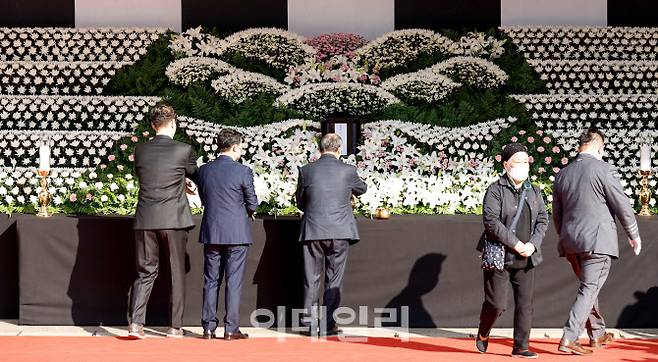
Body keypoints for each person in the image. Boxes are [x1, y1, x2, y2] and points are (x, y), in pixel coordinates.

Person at [552, 128, 642, 355]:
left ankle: (598, 333)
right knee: (589, 288)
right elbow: (621, 204)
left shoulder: (563, 174)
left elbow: (557, 214)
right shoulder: (604, 169)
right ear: (600, 147)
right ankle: (570, 337)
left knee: (588, 288)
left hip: (571, 241)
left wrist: (565, 238)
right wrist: (633, 234)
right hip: (597, 240)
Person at [128, 103, 198, 339]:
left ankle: (136, 324)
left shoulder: (141, 150)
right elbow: (192, 174)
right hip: (174, 219)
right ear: (174, 123)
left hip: (146, 218)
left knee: (145, 272)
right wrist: (184, 184)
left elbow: (149, 176)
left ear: (152, 125)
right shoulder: (184, 150)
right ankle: (174, 327)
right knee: (176, 273)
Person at [475, 142, 548, 359]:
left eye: (526, 162)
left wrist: (532, 245)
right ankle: (484, 330)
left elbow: (543, 220)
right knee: (497, 304)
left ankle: (521, 346)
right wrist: (516, 244)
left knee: (525, 304)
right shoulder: (495, 190)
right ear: (506, 164)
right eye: (518, 162)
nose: (523, 166)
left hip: (527, 256)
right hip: (500, 255)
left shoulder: (534, 191)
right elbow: (491, 222)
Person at [296, 133, 367, 336]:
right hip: (339, 230)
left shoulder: (307, 170)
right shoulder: (348, 170)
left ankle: (309, 325)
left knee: (311, 279)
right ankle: (328, 324)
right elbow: (362, 188)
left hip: (313, 229)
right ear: (339, 150)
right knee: (334, 279)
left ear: (320, 149)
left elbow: (300, 201)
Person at [196, 129, 258, 340]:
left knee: (211, 280)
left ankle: (208, 327)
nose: (242, 150)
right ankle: (231, 328)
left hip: (212, 230)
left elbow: (204, 199)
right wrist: (247, 211)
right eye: (241, 146)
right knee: (234, 281)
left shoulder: (204, 170)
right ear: (234, 147)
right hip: (236, 233)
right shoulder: (243, 171)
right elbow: (253, 203)